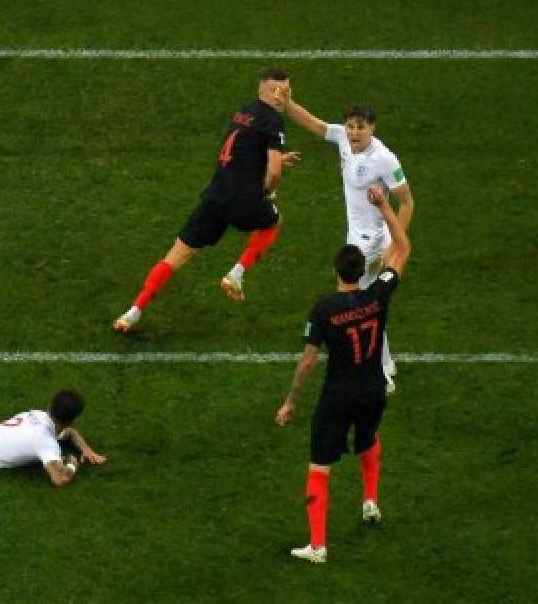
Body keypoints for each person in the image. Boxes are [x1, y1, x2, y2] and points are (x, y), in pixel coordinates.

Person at [275, 185, 411, 564]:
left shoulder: (324, 309)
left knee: (320, 465)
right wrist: (386, 207)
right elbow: (403, 248)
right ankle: (370, 501)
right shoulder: (376, 296)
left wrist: (290, 403)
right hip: (373, 389)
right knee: (368, 439)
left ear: (336, 271)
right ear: (362, 270)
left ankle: (318, 545)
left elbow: (306, 364)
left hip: (337, 396)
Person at [112, 68, 300, 333]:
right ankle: (236, 274)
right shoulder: (273, 121)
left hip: (215, 196)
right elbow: (274, 171)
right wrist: (268, 189)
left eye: (286, 90)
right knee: (273, 222)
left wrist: (279, 158)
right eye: (276, 89)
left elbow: (244, 153)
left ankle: (132, 313)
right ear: (262, 90)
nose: (282, 95)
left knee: (175, 256)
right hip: (244, 200)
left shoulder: (243, 112)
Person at [282, 100, 414, 392]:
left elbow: (406, 202)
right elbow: (315, 124)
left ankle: (381, 374)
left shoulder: (384, 159)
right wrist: (286, 104)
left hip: (374, 241)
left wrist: (392, 247)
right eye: (351, 127)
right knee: (370, 303)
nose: (354, 133)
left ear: (372, 129)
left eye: (361, 128)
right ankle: (386, 362)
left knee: (363, 306)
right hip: (356, 238)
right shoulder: (343, 137)